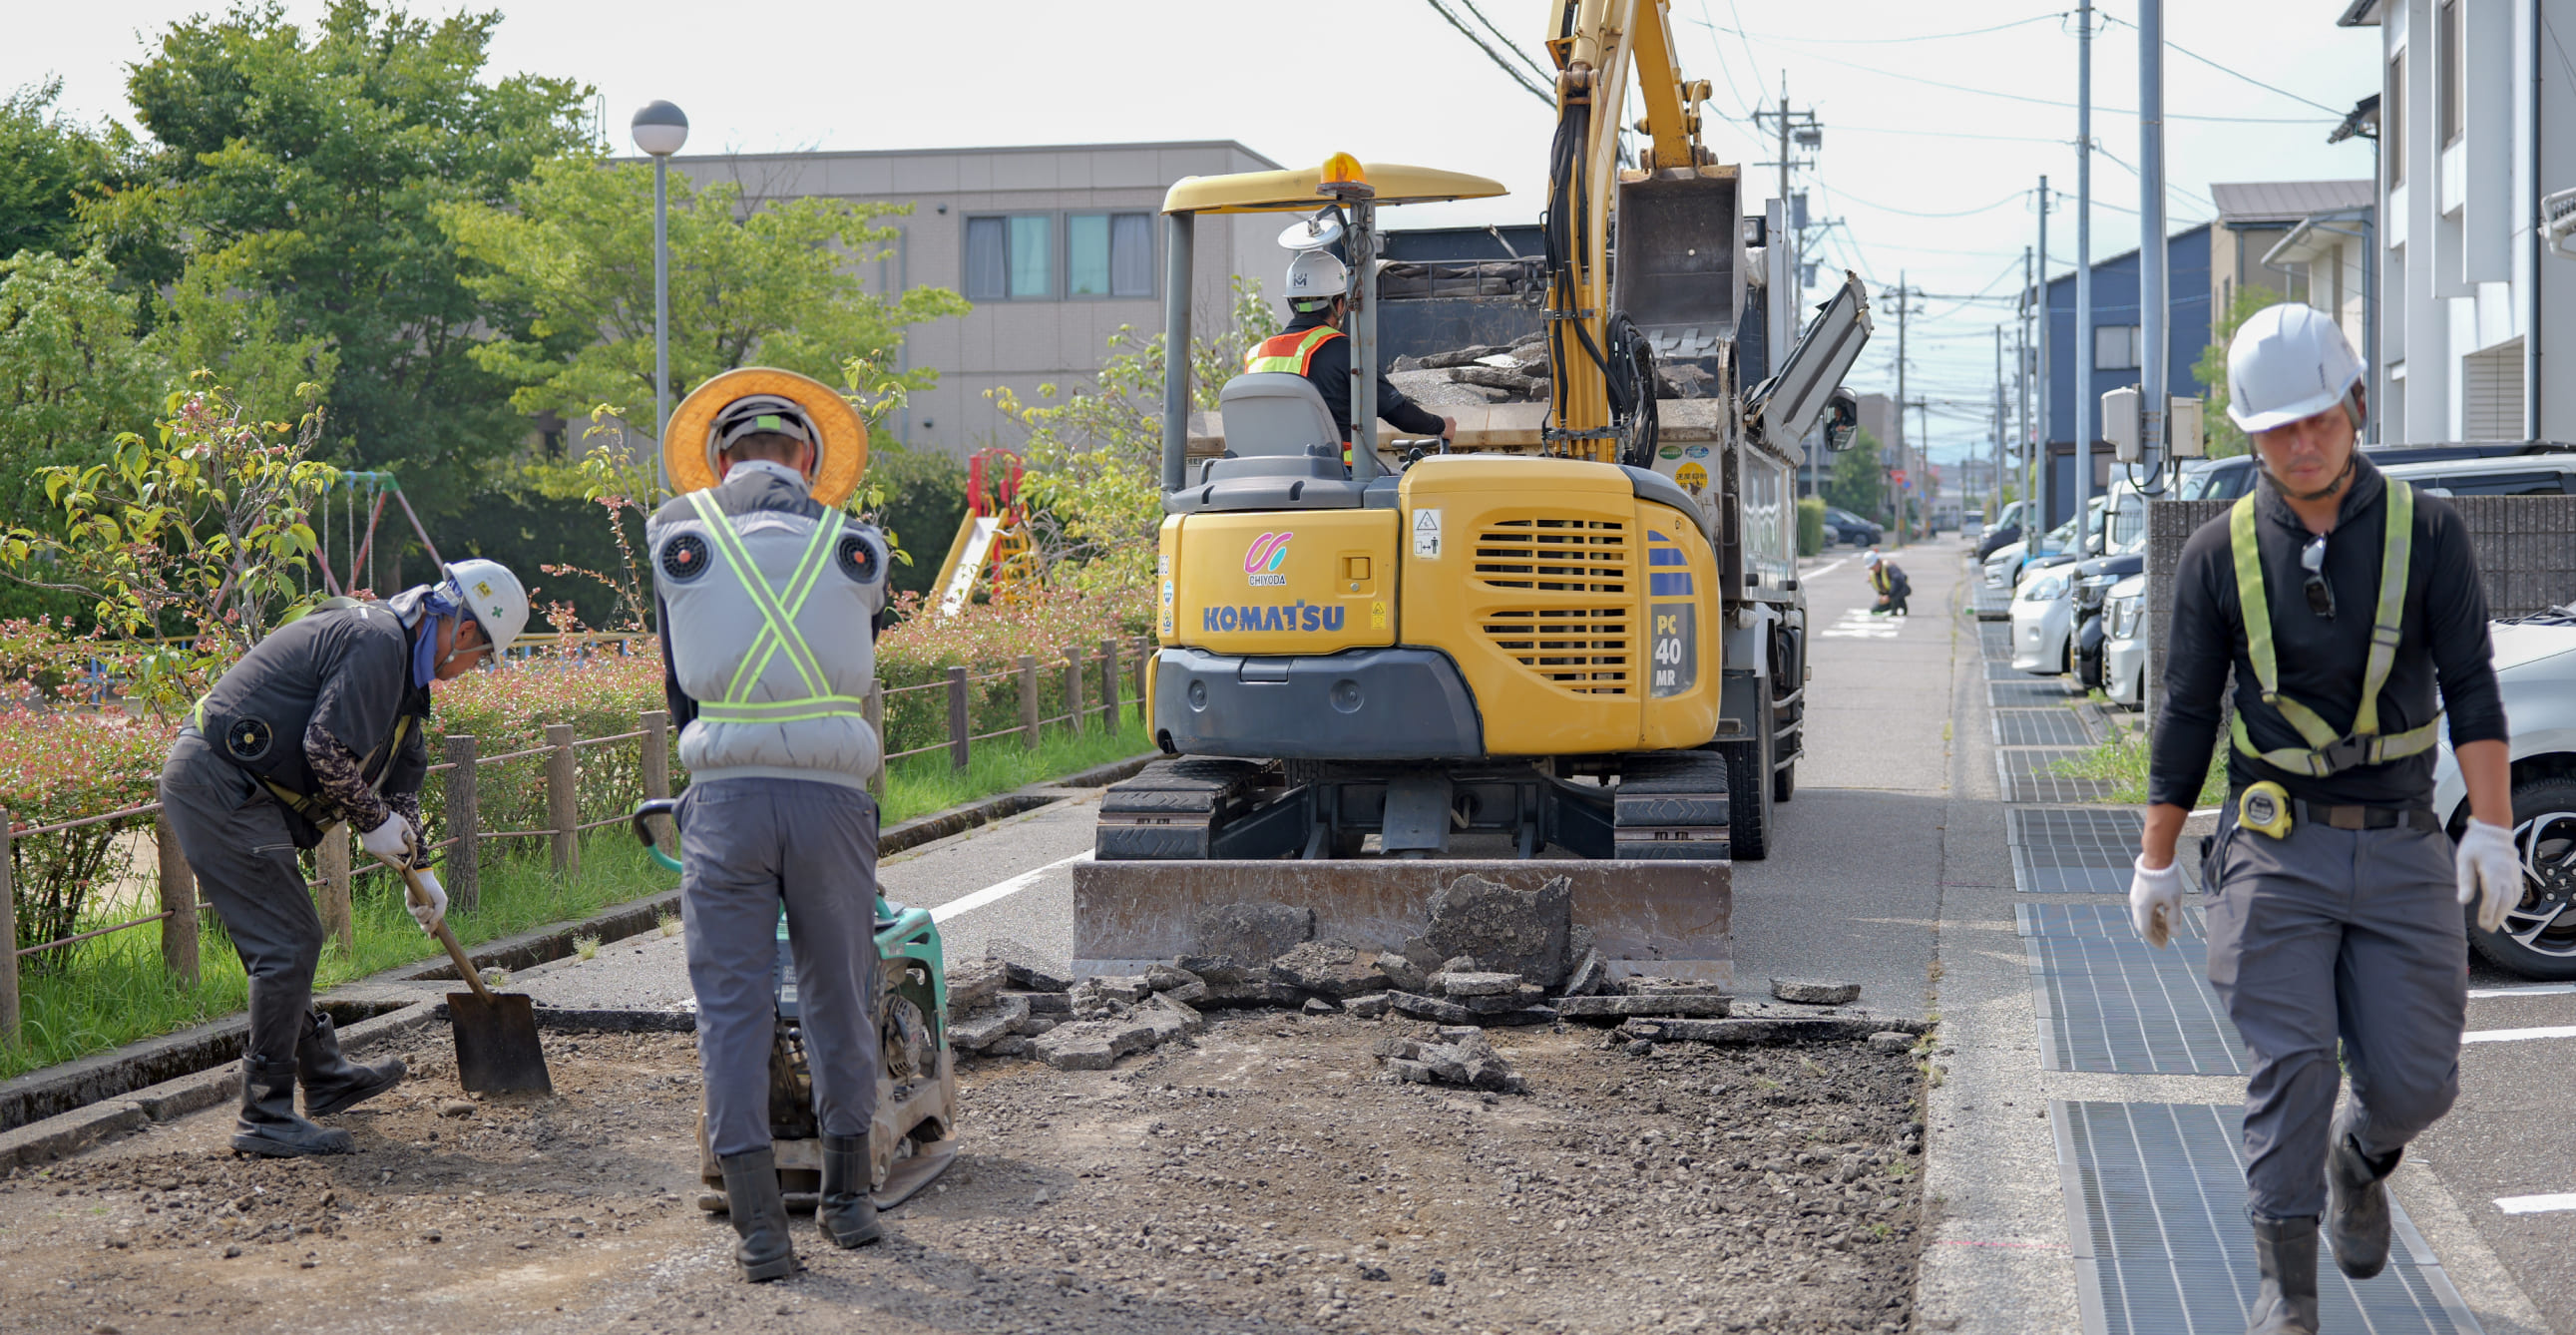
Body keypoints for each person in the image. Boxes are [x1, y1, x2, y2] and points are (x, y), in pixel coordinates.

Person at [2130, 303, 2517, 1335]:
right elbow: (2183, 711)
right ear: (2249, 435)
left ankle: (2361, 1161)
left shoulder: (2427, 532)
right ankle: (2284, 1292)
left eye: (2318, 420)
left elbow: (2473, 688)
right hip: (2271, 848)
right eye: (2276, 428)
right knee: (2288, 1063)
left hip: (2397, 844)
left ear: (2353, 406)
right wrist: (2155, 860)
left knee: (2414, 1082)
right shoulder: (2216, 556)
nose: (2301, 445)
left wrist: (2488, 826)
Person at [648, 376, 893, 1282]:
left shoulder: (681, 539)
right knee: (840, 990)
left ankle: (759, 1232)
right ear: (809, 459)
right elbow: (863, 650)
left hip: (727, 797)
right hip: (831, 797)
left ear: (717, 461)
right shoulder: (856, 544)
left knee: (733, 1008)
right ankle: (850, 1204)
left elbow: (679, 684)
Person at [163, 558, 529, 1157]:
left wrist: (424, 873)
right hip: (218, 780)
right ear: (463, 632)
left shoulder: (408, 680)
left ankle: (325, 1075)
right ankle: (265, 1114)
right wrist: (372, 821)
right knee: (288, 942)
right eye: (482, 657)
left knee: (287, 938)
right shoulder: (376, 640)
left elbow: (402, 786)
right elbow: (325, 746)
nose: (473, 670)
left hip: (249, 791)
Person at [1244, 248, 1456, 471]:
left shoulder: (1255, 355)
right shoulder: (1345, 350)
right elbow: (1396, 411)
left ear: (1291, 303)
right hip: (1336, 480)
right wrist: (1441, 425)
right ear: (1339, 304)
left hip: (1265, 476)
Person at [1864, 549, 1910, 616]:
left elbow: (1898, 582)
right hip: (1887, 594)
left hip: (1899, 590)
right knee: (1874, 610)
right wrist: (1882, 596)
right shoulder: (1873, 573)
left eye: (1873, 566)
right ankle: (1895, 605)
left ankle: (1899, 607)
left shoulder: (1889, 567)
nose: (1872, 569)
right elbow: (1878, 586)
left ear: (1877, 562)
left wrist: (1889, 596)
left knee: (1895, 596)